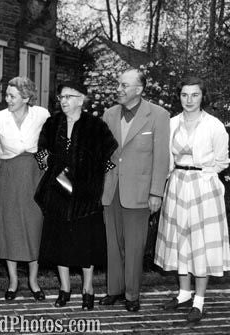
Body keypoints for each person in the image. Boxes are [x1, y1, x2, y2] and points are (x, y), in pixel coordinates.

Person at [35, 81, 118, 310]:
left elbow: (108, 156)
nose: (63, 101)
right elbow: (41, 153)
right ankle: (64, 290)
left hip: (85, 197)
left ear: (81, 100)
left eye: (69, 96)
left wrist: (94, 179)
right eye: (61, 97)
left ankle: (87, 289)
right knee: (61, 243)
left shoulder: (95, 126)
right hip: (58, 192)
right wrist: (51, 168)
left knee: (84, 245)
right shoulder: (52, 123)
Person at [154, 76, 230, 322]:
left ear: (202, 96)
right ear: (179, 96)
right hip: (177, 184)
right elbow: (166, 159)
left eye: (194, 95)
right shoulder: (172, 123)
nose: (189, 100)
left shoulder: (214, 125)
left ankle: (199, 301)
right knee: (180, 240)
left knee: (201, 242)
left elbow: (222, 161)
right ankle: (184, 293)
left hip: (203, 187)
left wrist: (205, 176)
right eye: (184, 95)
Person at [100, 69, 170, 312]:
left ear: (139, 90)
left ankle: (132, 295)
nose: (118, 88)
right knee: (113, 244)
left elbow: (161, 159)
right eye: (118, 84)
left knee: (134, 246)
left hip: (139, 193)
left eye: (124, 85)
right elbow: (103, 153)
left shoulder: (158, 115)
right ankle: (114, 290)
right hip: (111, 190)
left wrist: (156, 193)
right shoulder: (109, 114)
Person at [0, 77, 50, 301]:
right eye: (6, 95)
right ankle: (13, 281)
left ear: (26, 98)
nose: (7, 99)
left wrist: (48, 175)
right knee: (10, 228)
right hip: (9, 176)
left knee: (35, 227)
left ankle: (33, 281)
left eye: (12, 96)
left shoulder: (42, 115)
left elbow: (48, 147)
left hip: (34, 176)